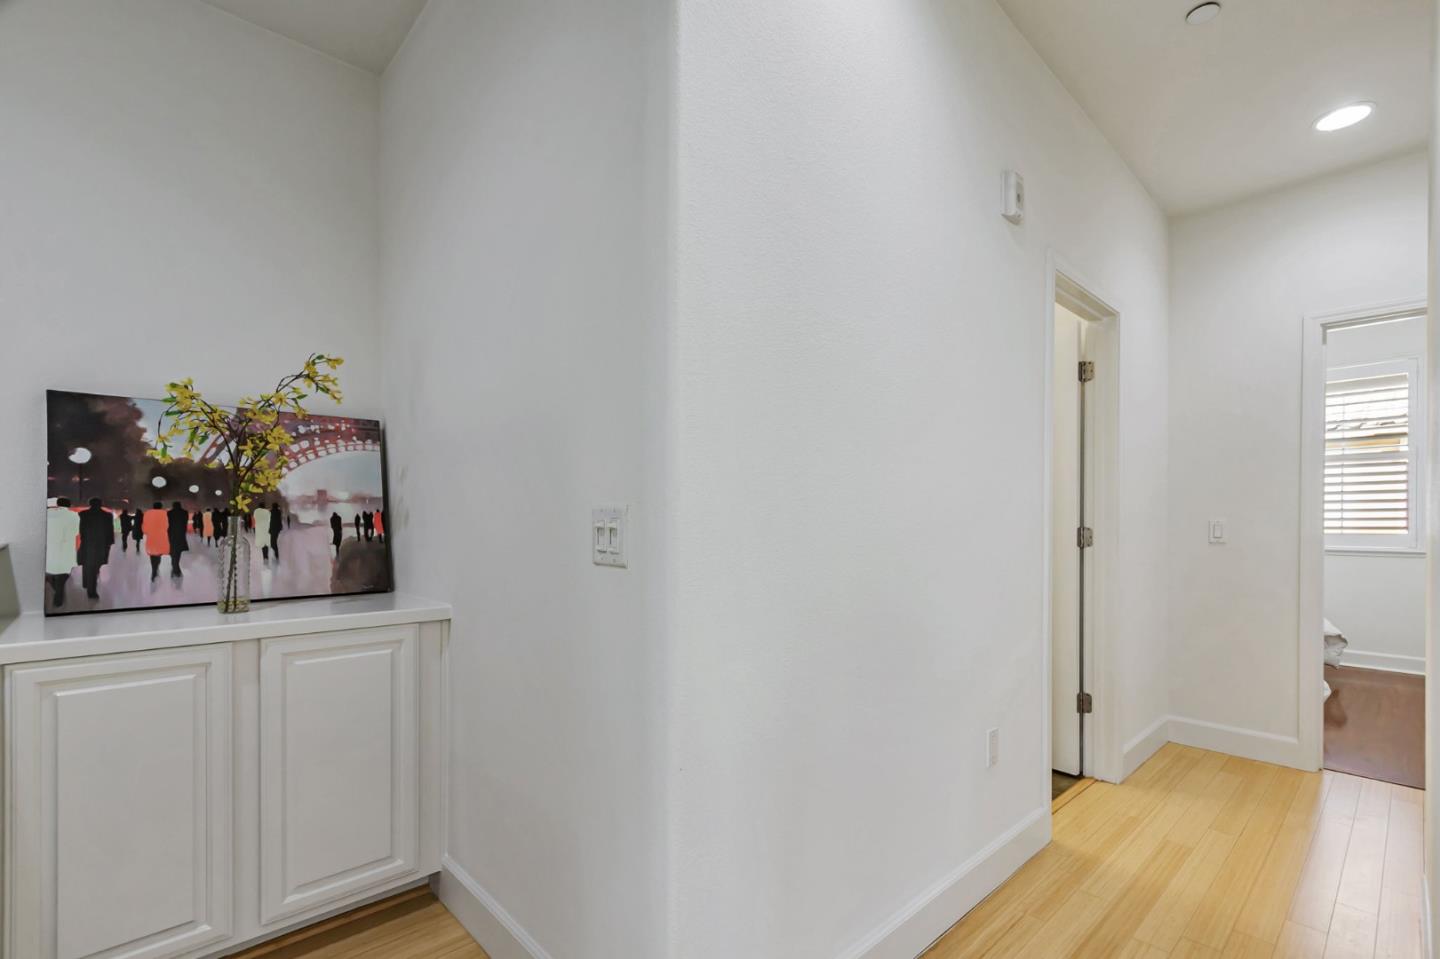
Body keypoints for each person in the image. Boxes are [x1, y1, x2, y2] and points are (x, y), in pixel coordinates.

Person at [45, 498, 80, 608]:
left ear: (58, 504)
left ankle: (56, 588)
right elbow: (76, 531)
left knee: (50, 570)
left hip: (50, 546)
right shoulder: (74, 516)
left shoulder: (48, 514)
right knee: (64, 571)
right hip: (66, 547)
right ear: (69, 505)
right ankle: (59, 591)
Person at [77, 498, 115, 601]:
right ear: (101, 504)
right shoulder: (107, 516)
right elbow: (110, 531)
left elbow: (80, 529)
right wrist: (109, 544)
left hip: (87, 544)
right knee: (95, 565)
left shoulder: (82, 514)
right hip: (101, 545)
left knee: (87, 564)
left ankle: (87, 583)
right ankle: (91, 590)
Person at [141, 502, 170, 581]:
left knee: (152, 554)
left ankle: (154, 570)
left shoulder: (147, 514)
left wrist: (147, 532)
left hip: (151, 537)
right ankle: (156, 568)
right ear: (161, 507)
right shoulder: (165, 514)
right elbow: (166, 526)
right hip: (161, 537)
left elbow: (144, 528)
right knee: (158, 553)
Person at [166, 501, 189, 577]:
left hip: (172, 535)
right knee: (178, 552)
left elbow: (167, 524)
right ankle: (176, 569)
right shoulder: (185, 513)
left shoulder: (169, 513)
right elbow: (185, 523)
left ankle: (175, 569)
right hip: (181, 535)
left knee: (172, 552)